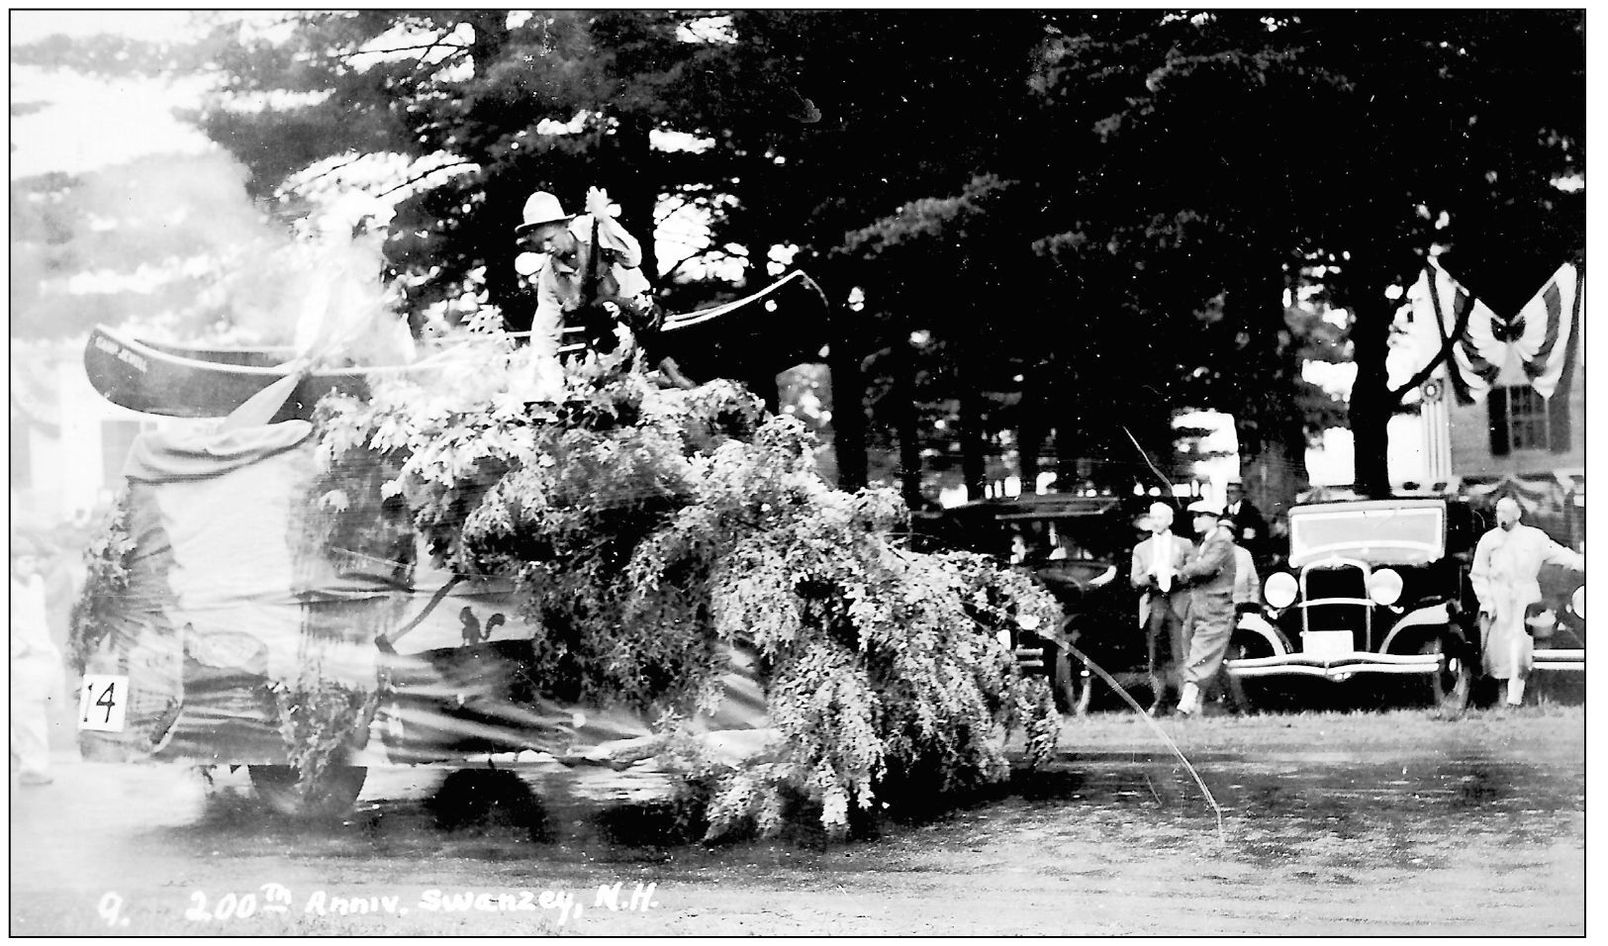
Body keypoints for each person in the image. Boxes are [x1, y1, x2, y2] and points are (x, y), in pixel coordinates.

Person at [513, 187, 692, 393]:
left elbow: (634, 257)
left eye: (550, 239)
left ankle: (669, 375)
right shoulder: (549, 278)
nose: (546, 248)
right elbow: (545, 332)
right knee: (604, 377)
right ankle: (640, 382)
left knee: (612, 310)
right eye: (540, 243)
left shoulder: (593, 229)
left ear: (565, 226)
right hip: (607, 335)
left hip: (644, 314)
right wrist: (538, 372)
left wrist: (604, 217)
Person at [1469, 496, 1584, 709]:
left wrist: (1583, 562)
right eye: (1498, 512)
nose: (1501, 517)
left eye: (1506, 512)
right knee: (1498, 653)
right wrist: (1486, 600)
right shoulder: (1488, 540)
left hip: (1525, 599)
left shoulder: (1534, 538)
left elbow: (1560, 554)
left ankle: (1517, 698)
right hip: (1498, 598)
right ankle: (1501, 700)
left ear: (1518, 514)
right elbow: (1478, 574)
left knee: (1521, 647)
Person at [1174, 500, 1238, 717]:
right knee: (1194, 653)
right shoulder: (1203, 543)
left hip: (1215, 608)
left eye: (1201, 516)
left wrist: (1179, 572)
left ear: (1214, 518)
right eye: (1194, 516)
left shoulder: (1221, 542)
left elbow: (1205, 567)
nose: (1196, 520)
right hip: (1197, 606)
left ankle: (1187, 704)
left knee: (1201, 654)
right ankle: (1227, 705)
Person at [1129, 502, 1193, 716]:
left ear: (1170, 520)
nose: (1156, 522)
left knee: (1180, 654)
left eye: (1160, 518)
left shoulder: (1183, 545)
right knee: (1155, 656)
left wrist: (1178, 574)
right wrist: (1150, 575)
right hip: (1154, 603)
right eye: (1153, 518)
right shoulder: (1142, 549)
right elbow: (1134, 581)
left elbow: (1194, 572)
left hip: (1177, 603)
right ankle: (1160, 700)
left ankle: (1184, 704)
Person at [11, 537, 64, 786]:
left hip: (43, 655)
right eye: (24, 561)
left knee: (38, 712)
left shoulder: (36, 583)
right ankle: (32, 767)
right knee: (26, 714)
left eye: (32, 561)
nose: (29, 566)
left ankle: (21, 757)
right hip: (20, 658)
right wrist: (17, 649)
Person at [1224, 479, 1269, 566]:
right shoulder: (1225, 512)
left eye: (1232, 492)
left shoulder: (1251, 511)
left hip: (1247, 553)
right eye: (1227, 492)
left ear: (1240, 494)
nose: (1229, 495)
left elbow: (1261, 533)